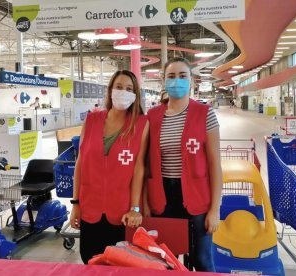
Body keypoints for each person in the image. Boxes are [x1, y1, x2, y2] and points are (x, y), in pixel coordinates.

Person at [145, 57, 223, 272]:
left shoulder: (205, 114)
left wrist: (214, 209)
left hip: (197, 197)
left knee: (202, 259)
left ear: (191, 81)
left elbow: (215, 164)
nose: (176, 81)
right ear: (163, 80)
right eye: (171, 76)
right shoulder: (152, 116)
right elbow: (145, 164)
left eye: (182, 76)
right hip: (162, 198)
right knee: (166, 259)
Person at [70, 70, 149, 264]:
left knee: (118, 264)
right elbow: (80, 162)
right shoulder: (91, 120)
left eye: (129, 89)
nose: (123, 92)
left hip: (121, 213)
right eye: (119, 87)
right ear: (110, 91)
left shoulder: (140, 124)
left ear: (135, 94)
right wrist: (75, 204)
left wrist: (135, 207)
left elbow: (139, 169)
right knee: (89, 259)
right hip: (90, 209)